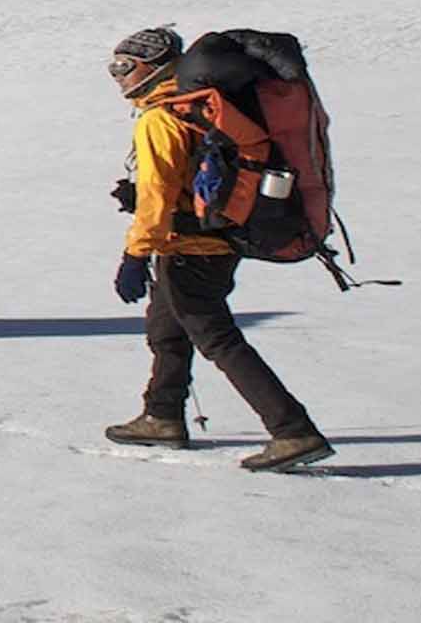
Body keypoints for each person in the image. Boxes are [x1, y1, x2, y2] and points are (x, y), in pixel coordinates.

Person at [103, 25, 334, 472]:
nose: (118, 77)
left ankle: (293, 430)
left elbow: (157, 193)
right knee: (167, 329)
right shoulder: (205, 107)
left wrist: (135, 254)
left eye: (124, 67)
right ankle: (162, 414)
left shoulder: (163, 117)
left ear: (153, 68)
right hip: (217, 238)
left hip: (188, 245)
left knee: (217, 337)